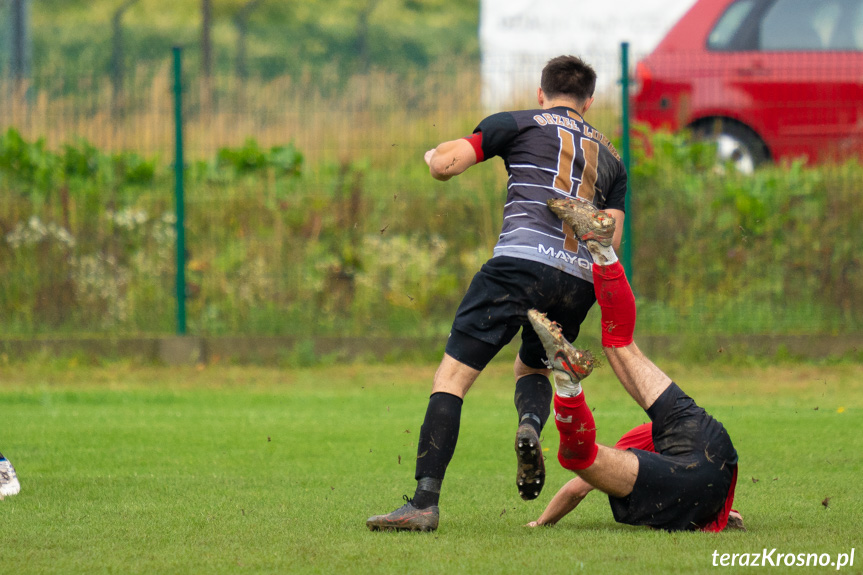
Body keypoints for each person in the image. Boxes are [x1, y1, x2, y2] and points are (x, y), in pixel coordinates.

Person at [367, 55, 628, 532]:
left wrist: (431, 157)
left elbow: (447, 166)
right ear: (588, 102)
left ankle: (423, 502)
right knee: (532, 364)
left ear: (540, 92)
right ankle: (529, 423)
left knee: (452, 378)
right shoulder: (611, 157)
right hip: (578, 279)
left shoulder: (516, 121)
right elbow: (611, 238)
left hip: (518, 263)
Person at [525, 198, 739, 531]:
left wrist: (542, 522)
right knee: (619, 344)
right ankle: (601, 249)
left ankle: (568, 381)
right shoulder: (657, 440)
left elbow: (580, 485)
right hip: (712, 437)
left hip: (693, 482)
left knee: (578, 460)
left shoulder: (641, 444)